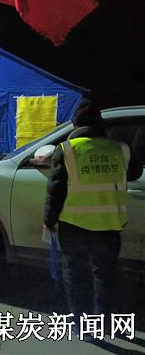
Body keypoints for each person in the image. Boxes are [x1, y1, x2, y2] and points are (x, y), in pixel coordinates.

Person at [43, 98, 142, 334]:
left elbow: (56, 191)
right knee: (104, 276)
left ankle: (82, 325)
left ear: (76, 124)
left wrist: (49, 220)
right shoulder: (120, 149)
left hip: (73, 225)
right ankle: (103, 322)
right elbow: (134, 173)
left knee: (76, 275)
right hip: (109, 225)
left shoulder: (67, 150)